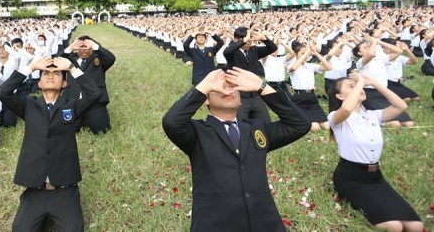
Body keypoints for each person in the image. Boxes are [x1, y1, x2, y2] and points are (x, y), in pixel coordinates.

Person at [162, 67, 311, 232]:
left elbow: (300, 125)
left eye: (233, 87)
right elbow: (171, 122)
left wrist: (262, 87)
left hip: (264, 222)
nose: (227, 89)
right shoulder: (197, 132)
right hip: (216, 224)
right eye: (219, 87)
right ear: (206, 99)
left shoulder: (257, 128)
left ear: (241, 100)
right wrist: (204, 86)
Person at [0, 56, 100, 232]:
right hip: (35, 189)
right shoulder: (29, 105)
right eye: (45, 73)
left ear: (64, 84)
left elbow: (94, 94)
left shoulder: (72, 105)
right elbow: (2, 92)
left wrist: (71, 67)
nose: (50, 76)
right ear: (39, 84)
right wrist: (32, 66)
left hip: (64, 190)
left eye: (57, 74)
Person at [327, 73, 423, 231]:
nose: (359, 87)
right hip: (350, 178)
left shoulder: (373, 116)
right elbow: (345, 109)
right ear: (340, 96)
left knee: (416, 226)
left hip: (375, 178)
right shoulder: (336, 118)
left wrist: (375, 83)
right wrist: (359, 83)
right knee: (394, 226)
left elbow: (401, 106)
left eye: (359, 85)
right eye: (350, 86)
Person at [61, 35, 115, 134]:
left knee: (102, 131)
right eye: (81, 47)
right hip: (73, 101)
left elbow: (111, 58)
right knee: (66, 130)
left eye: (86, 46)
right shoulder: (70, 59)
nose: (83, 49)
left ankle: (88, 119)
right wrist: (70, 48)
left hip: (95, 103)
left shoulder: (99, 59)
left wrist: (94, 45)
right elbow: (57, 63)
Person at [223, 27, 277, 122]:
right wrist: (243, 40)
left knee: (265, 121)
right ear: (236, 39)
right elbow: (227, 51)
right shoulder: (232, 52)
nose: (248, 41)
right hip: (239, 94)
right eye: (244, 38)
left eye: (249, 38)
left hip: (255, 93)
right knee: (241, 123)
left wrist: (263, 38)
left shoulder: (254, 50)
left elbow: (273, 48)